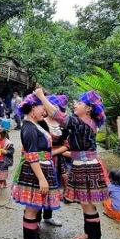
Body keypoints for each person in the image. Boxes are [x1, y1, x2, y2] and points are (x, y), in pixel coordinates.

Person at [36, 88, 108, 239]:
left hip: (86, 166)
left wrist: (41, 97)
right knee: (85, 204)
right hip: (82, 164)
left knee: (88, 205)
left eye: (80, 103)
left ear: (88, 108)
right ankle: (90, 235)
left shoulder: (82, 122)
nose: (75, 104)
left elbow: (58, 115)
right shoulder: (86, 122)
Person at [11, 93, 59, 239]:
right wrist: (42, 178)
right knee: (31, 210)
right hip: (35, 173)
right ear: (32, 109)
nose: (44, 112)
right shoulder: (29, 128)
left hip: (40, 170)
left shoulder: (35, 125)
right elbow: (31, 155)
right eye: (41, 108)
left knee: (34, 208)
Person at [38, 94, 70, 227]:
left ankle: (48, 216)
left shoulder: (64, 126)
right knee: (40, 187)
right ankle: (35, 219)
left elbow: (67, 145)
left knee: (53, 188)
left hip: (57, 162)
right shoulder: (39, 122)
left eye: (55, 107)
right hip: (40, 159)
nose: (52, 110)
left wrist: (53, 153)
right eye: (50, 106)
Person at [0, 128, 14, 194]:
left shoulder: (8, 143)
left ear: (2, 135)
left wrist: (5, 151)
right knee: (0, 173)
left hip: (4, 161)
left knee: (1, 173)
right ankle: (4, 183)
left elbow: (12, 151)